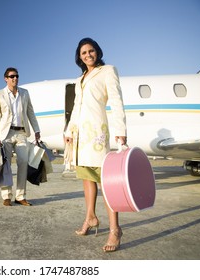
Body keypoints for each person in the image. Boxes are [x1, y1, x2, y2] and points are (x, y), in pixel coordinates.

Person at [64, 38, 127, 252]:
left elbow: (117, 101)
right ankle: (90, 217)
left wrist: (120, 131)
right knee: (86, 178)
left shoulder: (108, 71)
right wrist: (69, 131)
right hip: (81, 136)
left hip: (97, 133)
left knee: (106, 183)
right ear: (79, 57)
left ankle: (115, 230)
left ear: (97, 52)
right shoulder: (80, 78)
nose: (88, 55)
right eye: (83, 53)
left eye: (91, 51)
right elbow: (76, 108)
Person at [0, 67, 41, 206]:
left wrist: (36, 130)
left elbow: (30, 112)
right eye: (12, 76)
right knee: (6, 165)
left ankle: (20, 196)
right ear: (6, 78)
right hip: (6, 134)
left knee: (23, 162)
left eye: (17, 76)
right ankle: (6, 196)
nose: (15, 78)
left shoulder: (24, 93)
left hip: (21, 133)